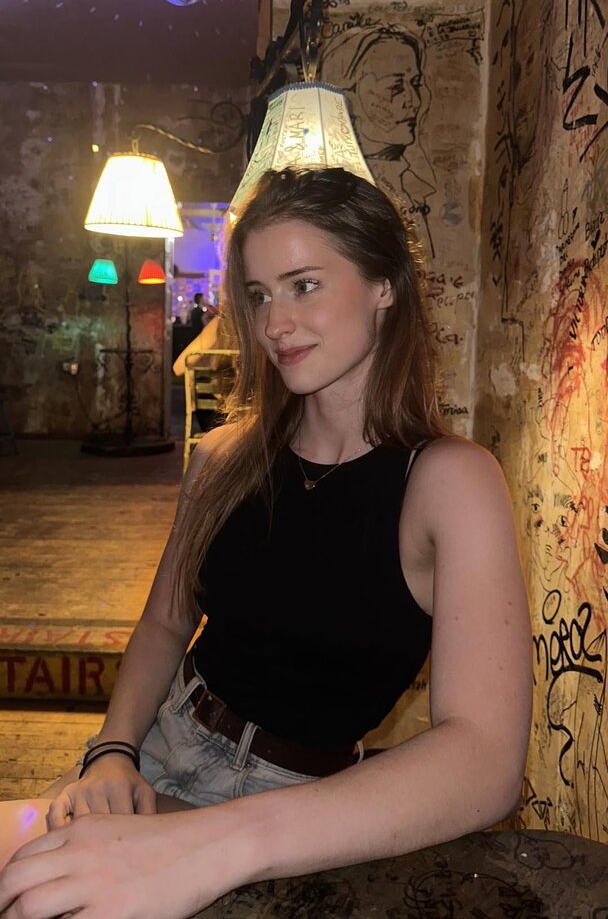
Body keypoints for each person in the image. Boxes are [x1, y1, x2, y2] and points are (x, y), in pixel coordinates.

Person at [0, 167, 532, 917]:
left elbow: (485, 761)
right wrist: (112, 752)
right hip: (159, 745)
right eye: (257, 295)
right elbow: (165, 624)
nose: (275, 323)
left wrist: (208, 845)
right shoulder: (224, 457)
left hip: (292, 807)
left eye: (304, 285)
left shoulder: (449, 480)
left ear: (384, 285)